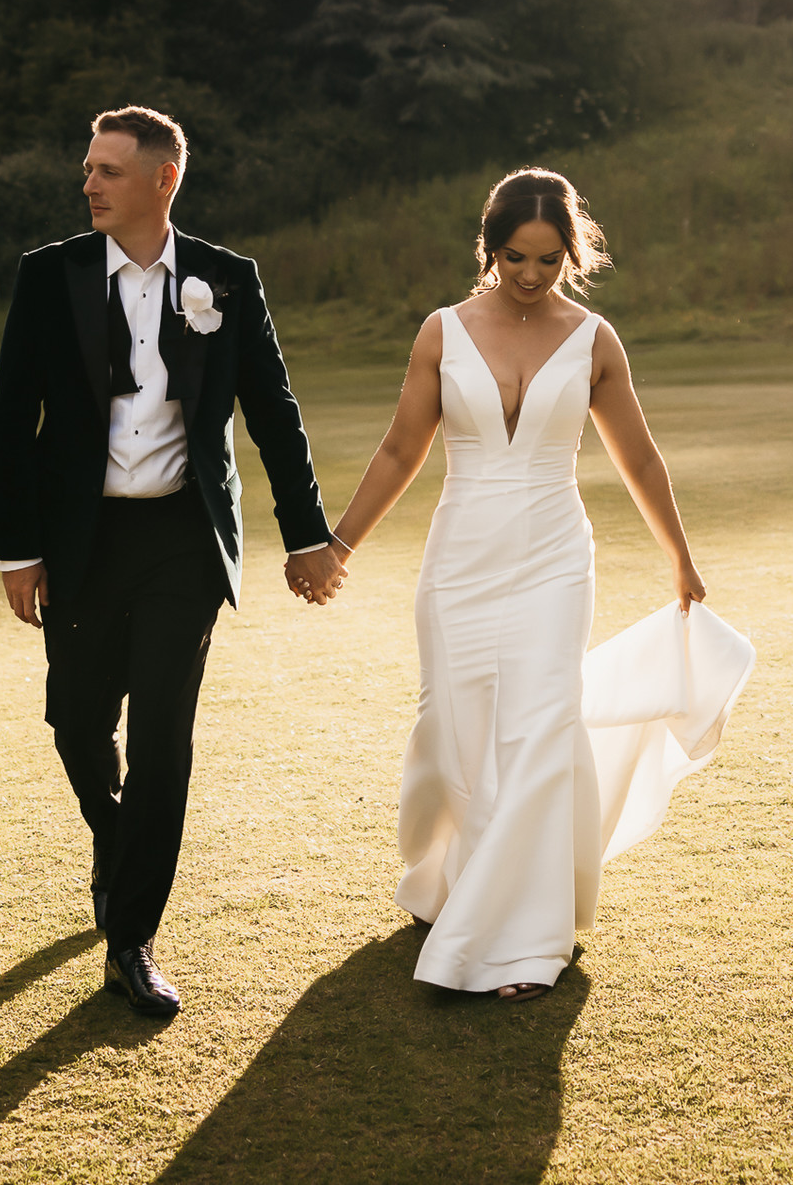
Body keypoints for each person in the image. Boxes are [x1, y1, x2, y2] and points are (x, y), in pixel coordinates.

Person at [289, 168, 707, 1001]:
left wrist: (680, 557)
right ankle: (448, 882)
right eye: (516, 256)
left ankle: (523, 938)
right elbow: (402, 450)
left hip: (555, 561)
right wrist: (338, 542)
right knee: (453, 728)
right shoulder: (442, 332)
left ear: (570, 255)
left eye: (549, 259)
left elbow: (640, 457)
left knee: (539, 730)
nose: (530, 274)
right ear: (490, 249)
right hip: (461, 563)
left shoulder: (595, 340)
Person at [0, 105, 345, 1019]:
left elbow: (272, 408)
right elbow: (13, 418)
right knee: (75, 720)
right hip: (81, 540)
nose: (90, 183)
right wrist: (17, 547)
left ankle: (133, 937)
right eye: (88, 168)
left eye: (108, 169)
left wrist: (307, 532)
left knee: (163, 742)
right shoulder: (51, 275)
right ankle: (117, 842)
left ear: (162, 179)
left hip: (183, 544)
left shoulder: (227, 279)